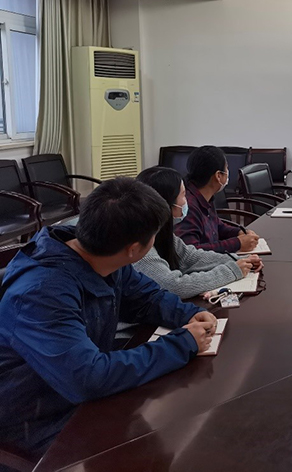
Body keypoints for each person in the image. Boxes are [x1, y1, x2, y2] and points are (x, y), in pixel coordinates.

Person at [0, 177, 216, 459]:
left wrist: (189, 314)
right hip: (35, 419)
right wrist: (183, 343)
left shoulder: (102, 252)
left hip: (74, 394)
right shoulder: (40, 294)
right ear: (134, 249)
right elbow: (88, 379)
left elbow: (145, 297)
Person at [136, 166, 263, 299]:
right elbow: (175, 286)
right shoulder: (140, 247)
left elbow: (190, 257)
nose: (187, 201)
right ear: (166, 203)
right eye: (183, 195)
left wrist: (240, 260)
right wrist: (231, 271)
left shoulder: (159, 232)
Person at [176, 145, 260, 254]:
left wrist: (239, 232)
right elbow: (192, 252)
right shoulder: (188, 206)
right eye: (226, 168)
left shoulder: (205, 197)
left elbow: (217, 227)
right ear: (218, 176)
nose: (228, 172)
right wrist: (237, 243)